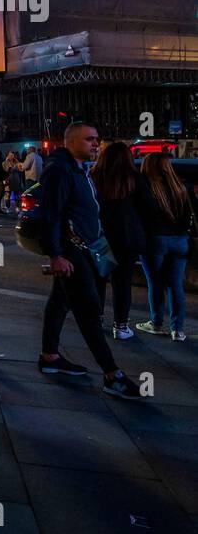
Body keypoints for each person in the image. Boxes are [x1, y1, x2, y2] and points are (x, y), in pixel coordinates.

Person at [37, 122, 146, 398]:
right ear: (71, 141)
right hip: (72, 250)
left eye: (97, 140)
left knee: (59, 302)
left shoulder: (78, 168)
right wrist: (56, 255)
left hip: (84, 248)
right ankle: (112, 375)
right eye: (89, 140)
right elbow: (50, 215)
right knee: (88, 309)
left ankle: (49, 357)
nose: (96, 144)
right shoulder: (60, 170)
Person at [89, 141, 147, 340]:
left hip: (101, 237)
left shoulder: (95, 177)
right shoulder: (133, 178)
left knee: (99, 280)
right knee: (122, 283)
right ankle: (121, 326)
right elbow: (147, 207)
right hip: (126, 238)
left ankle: (96, 319)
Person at [135, 152, 193, 341]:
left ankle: (156, 322)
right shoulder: (180, 187)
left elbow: (141, 213)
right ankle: (178, 329)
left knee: (156, 283)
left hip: (156, 239)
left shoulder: (146, 186)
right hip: (180, 240)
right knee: (176, 284)